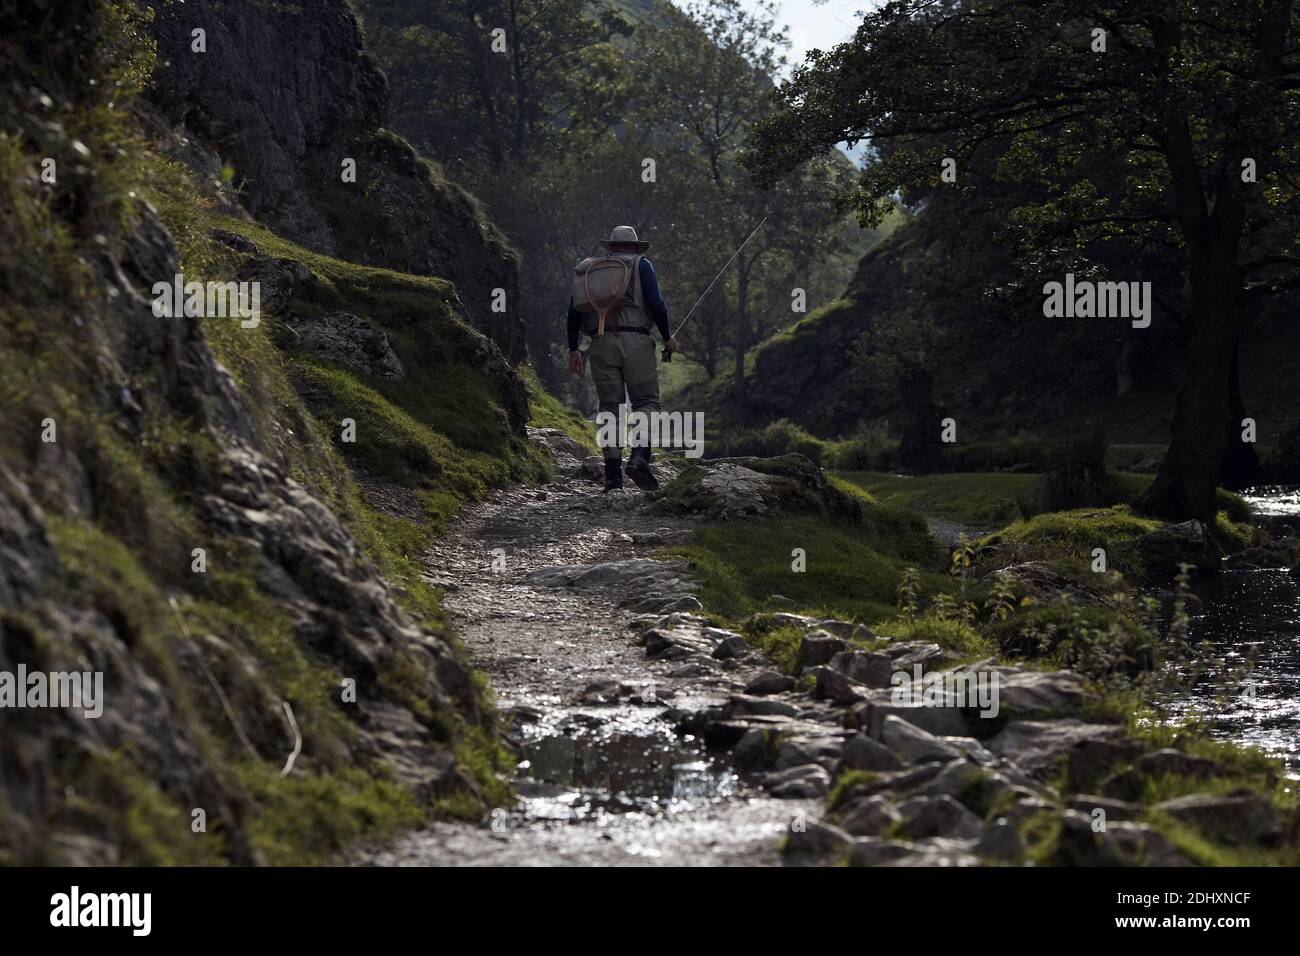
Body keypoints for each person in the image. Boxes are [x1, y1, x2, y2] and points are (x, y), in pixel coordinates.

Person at [567, 225, 676, 491]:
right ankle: (639, 459)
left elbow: (573, 314)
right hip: (636, 341)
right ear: (635, 247)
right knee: (646, 401)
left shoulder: (589, 270)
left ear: (611, 247)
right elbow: (656, 302)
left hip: (600, 343)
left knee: (609, 408)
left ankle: (613, 476)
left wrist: (573, 350)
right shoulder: (642, 265)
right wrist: (667, 336)